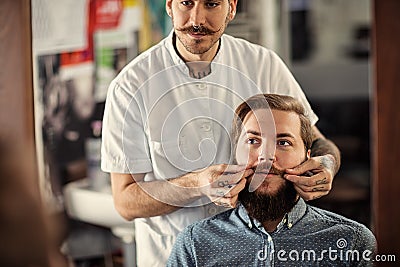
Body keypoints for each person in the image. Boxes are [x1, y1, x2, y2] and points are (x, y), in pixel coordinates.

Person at [101, 1, 341, 265]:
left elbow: (317, 143)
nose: (197, 19)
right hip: (169, 255)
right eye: (186, 3)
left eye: (212, 4)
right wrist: (195, 185)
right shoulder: (130, 85)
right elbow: (125, 202)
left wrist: (326, 165)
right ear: (169, 5)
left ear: (232, 8)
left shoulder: (263, 65)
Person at [167, 94, 376, 266]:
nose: (265, 156)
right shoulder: (194, 244)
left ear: (308, 157)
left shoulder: (352, 242)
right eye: (252, 141)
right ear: (234, 156)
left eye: (283, 142)